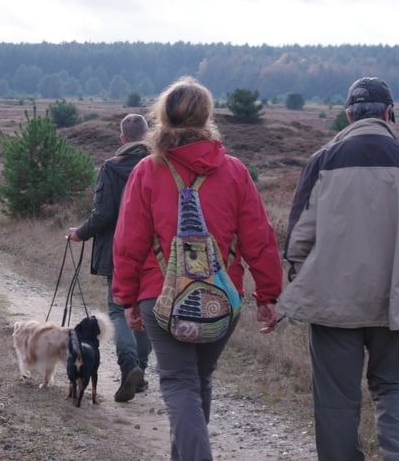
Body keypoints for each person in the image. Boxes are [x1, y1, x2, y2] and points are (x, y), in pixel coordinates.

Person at [279, 77, 399, 461]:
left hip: (330, 304)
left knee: (336, 401)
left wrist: (305, 281)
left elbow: (297, 242)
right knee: (396, 387)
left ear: (348, 116)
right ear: (390, 113)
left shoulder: (321, 162)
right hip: (395, 302)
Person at [112, 76, 282, 460]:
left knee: (179, 382)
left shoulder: (147, 171)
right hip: (222, 299)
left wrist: (125, 297)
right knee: (197, 379)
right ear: (207, 116)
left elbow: (129, 242)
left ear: (164, 117)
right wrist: (268, 294)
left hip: (161, 298)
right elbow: (260, 237)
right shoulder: (235, 171)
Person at [67, 113, 153, 403]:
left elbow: (103, 214)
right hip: (156, 254)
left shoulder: (111, 168)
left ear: (122, 139)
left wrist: (79, 233)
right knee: (147, 311)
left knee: (119, 311)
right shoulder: (160, 166)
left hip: (120, 253)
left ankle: (130, 365)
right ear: (147, 135)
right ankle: (139, 373)